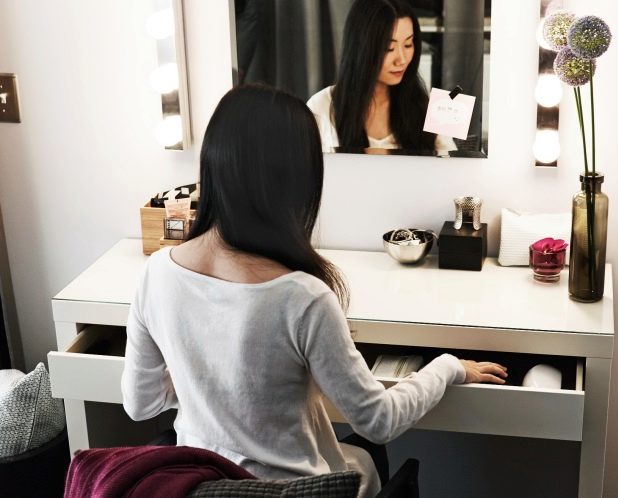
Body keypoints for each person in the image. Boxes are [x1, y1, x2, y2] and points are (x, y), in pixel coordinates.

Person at [121, 84, 506, 498]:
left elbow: (140, 404)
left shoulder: (157, 272)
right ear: (295, 182)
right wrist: (447, 367)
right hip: (294, 491)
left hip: (204, 485)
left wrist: (203, 376)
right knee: (365, 458)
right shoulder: (302, 298)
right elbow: (378, 421)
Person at [307, 0, 456, 154]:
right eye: (389, 48)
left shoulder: (431, 107)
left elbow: (452, 165)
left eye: (408, 45)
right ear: (361, 48)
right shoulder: (321, 108)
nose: (402, 60)